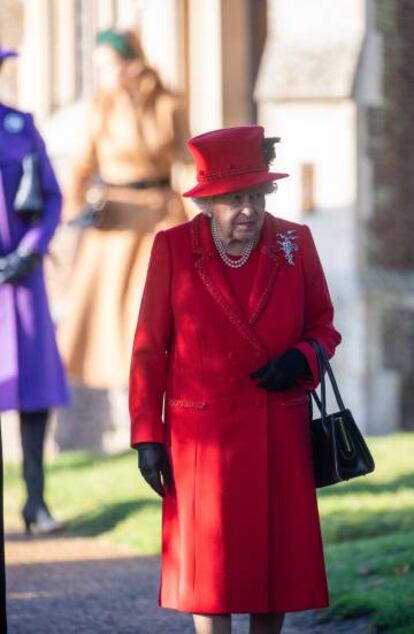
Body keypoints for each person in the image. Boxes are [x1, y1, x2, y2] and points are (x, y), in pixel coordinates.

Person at [129, 125, 342, 634]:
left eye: (256, 196)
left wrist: (303, 357)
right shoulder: (173, 249)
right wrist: (146, 437)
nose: (248, 210)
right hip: (202, 438)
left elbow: (324, 326)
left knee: (276, 568)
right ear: (208, 203)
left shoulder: (296, 241)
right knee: (211, 571)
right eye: (233, 199)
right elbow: (148, 349)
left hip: (278, 430)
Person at [59, 28, 191, 389]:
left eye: (109, 65)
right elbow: (81, 167)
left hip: (161, 214)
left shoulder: (168, 103)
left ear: (132, 63)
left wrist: (204, 211)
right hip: (116, 220)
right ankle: (128, 401)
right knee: (111, 318)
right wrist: (73, 208)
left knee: (156, 305)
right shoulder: (100, 108)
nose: (104, 74)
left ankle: (161, 386)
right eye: (99, 67)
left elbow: (188, 161)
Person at [0, 46, 69, 535]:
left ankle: (36, 501)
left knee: (34, 392)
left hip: (21, 278)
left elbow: (51, 195)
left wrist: (31, 248)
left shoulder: (21, 126)